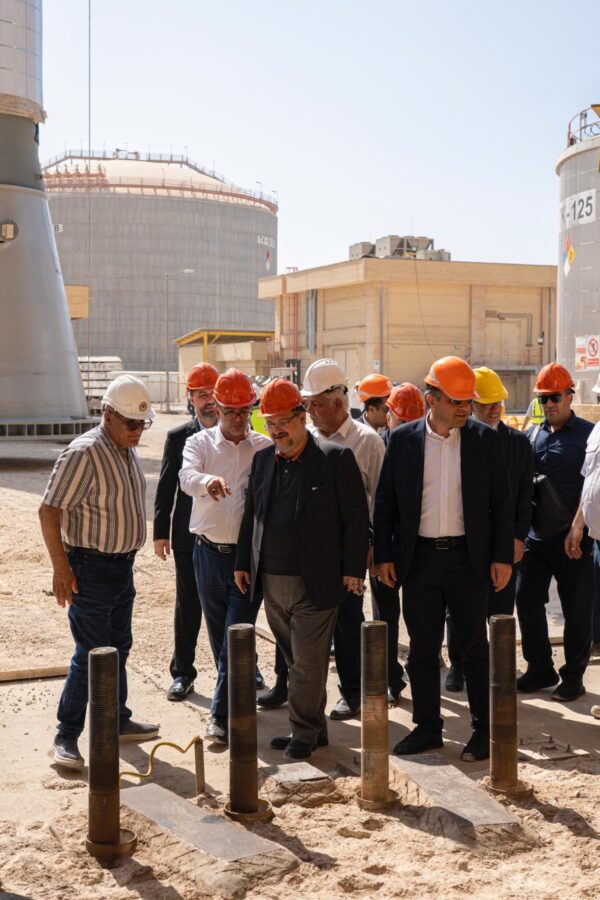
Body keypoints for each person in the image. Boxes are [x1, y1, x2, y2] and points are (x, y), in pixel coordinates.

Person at [374, 356, 513, 761]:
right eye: (456, 401)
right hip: (419, 560)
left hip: (468, 560)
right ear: (431, 398)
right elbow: (385, 504)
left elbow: (503, 504)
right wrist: (384, 555)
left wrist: (502, 557)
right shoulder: (402, 441)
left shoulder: (485, 441)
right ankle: (427, 728)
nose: (465, 408)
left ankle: (483, 731)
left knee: (473, 647)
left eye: (468, 401)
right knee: (422, 648)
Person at [234, 380, 369, 759]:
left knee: (308, 664)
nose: (277, 430)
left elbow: (357, 519)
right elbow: (252, 515)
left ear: (302, 417)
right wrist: (243, 561)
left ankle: (303, 732)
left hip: (317, 582)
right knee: (295, 661)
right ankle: (315, 729)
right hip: (271, 580)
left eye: (283, 422)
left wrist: (353, 569)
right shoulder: (263, 460)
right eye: (270, 423)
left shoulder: (334, 459)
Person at [39, 375, 159, 770]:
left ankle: (117, 720)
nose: (138, 431)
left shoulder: (124, 449)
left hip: (121, 568)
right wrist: (61, 568)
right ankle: (66, 735)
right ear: (108, 416)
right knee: (91, 654)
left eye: (143, 424)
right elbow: (48, 509)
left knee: (119, 645)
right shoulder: (84, 453)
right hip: (90, 569)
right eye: (131, 423)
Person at [179, 368, 272, 743]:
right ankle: (237, 696)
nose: (237, 418)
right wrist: (208, 482)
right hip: (207, 555)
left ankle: (219, 716)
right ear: (216, 408)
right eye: (230, 411)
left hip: (247, 560)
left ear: (251, 409)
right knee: (221, 637)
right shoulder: (199, 444)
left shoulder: (263, 448)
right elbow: (186, 477)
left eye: (243, 411)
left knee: (237, 634)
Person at [302, 358, 385, 720]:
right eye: (307, 404)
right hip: (310, 549)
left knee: (348, 622)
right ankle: (295, 688)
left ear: (339, 401)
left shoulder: (367, 443)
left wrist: (374, 549)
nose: (310, 411)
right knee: (303, 620)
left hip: (350, 550)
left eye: (316, 404)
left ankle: (352, 691)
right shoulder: (306, 438)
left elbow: (381, 501)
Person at [445, 367, 534, 692]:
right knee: (459, 608)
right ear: (471, 405)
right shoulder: (456, 440)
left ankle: (499, 667)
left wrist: (517, 537)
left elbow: (524, 495)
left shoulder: (518, 444)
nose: (495, 409)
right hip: (465, 542)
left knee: (501, 608)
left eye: (498, 403)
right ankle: (459, 666)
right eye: (487, 404)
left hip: (503, 541)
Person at [516, 363, 594, 701]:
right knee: (526, 599)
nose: (549, 404)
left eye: (555, 397)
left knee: (576, 608)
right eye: (543, 398)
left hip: (574, 539)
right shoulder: (533, 435)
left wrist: (578, 527)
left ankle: (573, 676)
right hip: (537, 539)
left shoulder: (589, 435)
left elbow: (593, 487)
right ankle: (540, 668)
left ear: (570, 396)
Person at [153, 363, 219, 701]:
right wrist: (160, 532)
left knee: (232, 606)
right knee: (189, 604)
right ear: (190, 397)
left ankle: (243, 667)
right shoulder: (178, 437)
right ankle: (182, 673)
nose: (209, 401)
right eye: (202, 394)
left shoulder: (238, 432)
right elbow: (166, 487)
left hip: (227, 535)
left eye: (214, 393)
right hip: (187, 537)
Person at [359, 374, 416, 705]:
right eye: (402, 420)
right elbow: (377, 505)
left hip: (416, 545)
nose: (406, 426)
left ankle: (414, 670)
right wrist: (378, 549)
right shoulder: (378, 446)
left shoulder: (428, 445)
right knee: (385, 616)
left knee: (419, 615)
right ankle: (390, 677)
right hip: (386, 544)